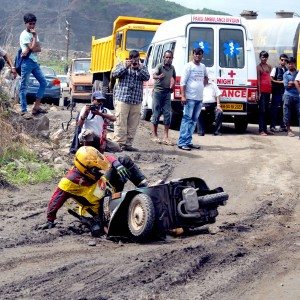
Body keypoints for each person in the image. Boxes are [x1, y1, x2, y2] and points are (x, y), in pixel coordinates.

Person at [39, 146, 149, 236]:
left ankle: (144, 186)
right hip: (98, 209)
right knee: (103, 230)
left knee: (123, 160)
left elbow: (106, 158)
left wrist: (116, 164)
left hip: (107, 189)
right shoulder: (69, 181)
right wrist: (50, 219)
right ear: (85, 169)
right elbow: (56, 199)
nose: (101, 171)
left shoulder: (91, 164)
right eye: (97, 170)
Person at [112, 49, 150, 152]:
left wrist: (139, 68)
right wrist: (126, 66)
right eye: (132, 59)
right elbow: (114, 74)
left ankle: (128, 144)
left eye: (136, 59)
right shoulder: (122, 64)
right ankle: (119, 144)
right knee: (120, 122)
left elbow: (147, 77)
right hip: (123, 99)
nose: (134, 61)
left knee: (133, 124)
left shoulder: (142, 67)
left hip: (136, 100)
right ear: (129, 58)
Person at [177, 47, 208, 151]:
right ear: (193, 54)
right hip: (189, 98)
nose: (197, 56)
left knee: (194, 120)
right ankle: (182, 142)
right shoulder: (188, 66)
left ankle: (188, 142)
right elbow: (183, 83)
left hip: (199, 98)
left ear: (202, 56)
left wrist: (202, 85)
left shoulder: (203, 67)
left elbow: (206, 78)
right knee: (187, 119)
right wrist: (183, 96)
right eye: (196, 54)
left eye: (200, 54)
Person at [19, 13, 47, 117]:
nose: (32, 26)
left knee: (44, 82)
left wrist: (32, 45)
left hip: (34, 62)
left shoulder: (34, 33)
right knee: (24, 86)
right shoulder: (24, 35)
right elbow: (32, 47)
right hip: (27, 62)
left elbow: (38, 48)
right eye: (30, 24)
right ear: (25, 23)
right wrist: (34, 38)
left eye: (34, 24)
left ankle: (36, 107)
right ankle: (24, 110)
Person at [151, 50, 176, 145]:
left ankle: (166, 137)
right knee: (156, 113)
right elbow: (153, 75)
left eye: (170, 57)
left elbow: (174, 77)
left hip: (167, 93)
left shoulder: (172, 68)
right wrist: (158, 77)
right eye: (167, 57)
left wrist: (172, 87)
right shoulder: (159, 66)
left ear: (172, 59)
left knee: (167, 114)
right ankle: (154, 135)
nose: (168, 59)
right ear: (163, 57)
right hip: (158, 92)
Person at [270, 54, 288, 132]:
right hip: (276, 92)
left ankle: (282, 126)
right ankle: (272, 126)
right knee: (274, 109)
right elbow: (271, 79)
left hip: (284, 92)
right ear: (279, 60)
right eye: (282, 60)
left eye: (285, 60)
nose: (283, 61)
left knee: (283, 109)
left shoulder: (287, 70)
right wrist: (280, 82)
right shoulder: (275, 68)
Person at [257, 51, 273, 136]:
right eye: (263, 57)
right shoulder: (258, 67)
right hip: (262, 92)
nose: (264, 58)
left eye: (266, 57)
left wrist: (271, 93)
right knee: (262, 111)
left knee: (267, 111)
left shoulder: (269, 67)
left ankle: (266, 130)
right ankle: (261, 130)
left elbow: (271, 79)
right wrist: (259, 93)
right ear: (260, 57)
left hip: (268, 91)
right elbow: (258, 81)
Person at [282, 57, 299, 137]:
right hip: (288, 96)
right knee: (287, 113)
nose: (290, 65)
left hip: (297, 96)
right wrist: (296, 83)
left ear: (294, 64)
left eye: (292, 63)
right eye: (289, 63)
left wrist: (292, 83)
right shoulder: (285, 74)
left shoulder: (298, 73)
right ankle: (288, 130)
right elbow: (286, 86)